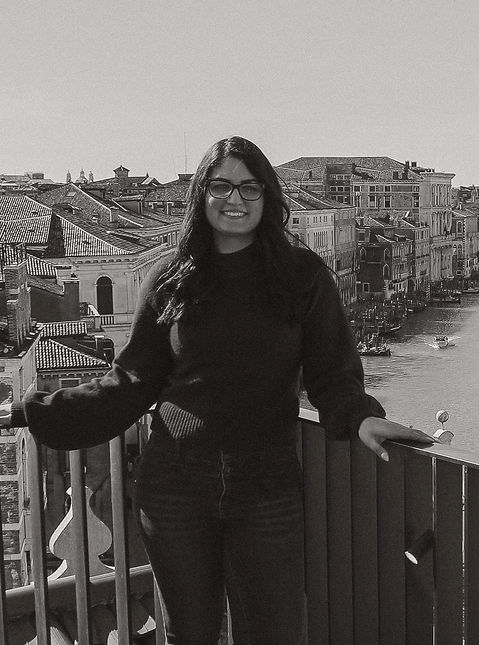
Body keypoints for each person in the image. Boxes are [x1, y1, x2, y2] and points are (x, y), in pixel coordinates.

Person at [0, 136, 435, 643]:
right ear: (201, 195)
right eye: (222, 186)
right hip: (174, 489)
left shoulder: (302, 277)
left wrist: (361, 418)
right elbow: (131, 382)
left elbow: (332, 373)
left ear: (268, 197)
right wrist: (25, 410)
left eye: (250, 188)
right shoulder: (171, 278)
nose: (236, 199)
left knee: (273, 633)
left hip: (265, 487)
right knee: (189, 634)